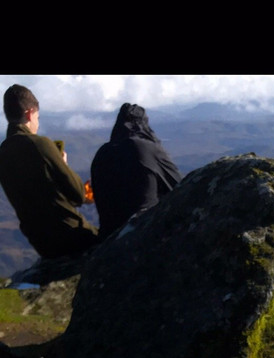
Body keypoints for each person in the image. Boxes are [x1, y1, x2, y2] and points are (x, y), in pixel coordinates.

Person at [0, 84, 98, 259]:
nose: (37, 123)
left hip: (41, 244)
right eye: (38, 117)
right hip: (73, 236)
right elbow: (77, 195)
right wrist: (63, 166)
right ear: (29, 113)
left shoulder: (3, 153)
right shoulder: (40, 144)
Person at [91, 103, 181, 239]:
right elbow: (180, 185)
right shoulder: (146, 148)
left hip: (107, 236)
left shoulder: (102, 152)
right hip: (142, 233)